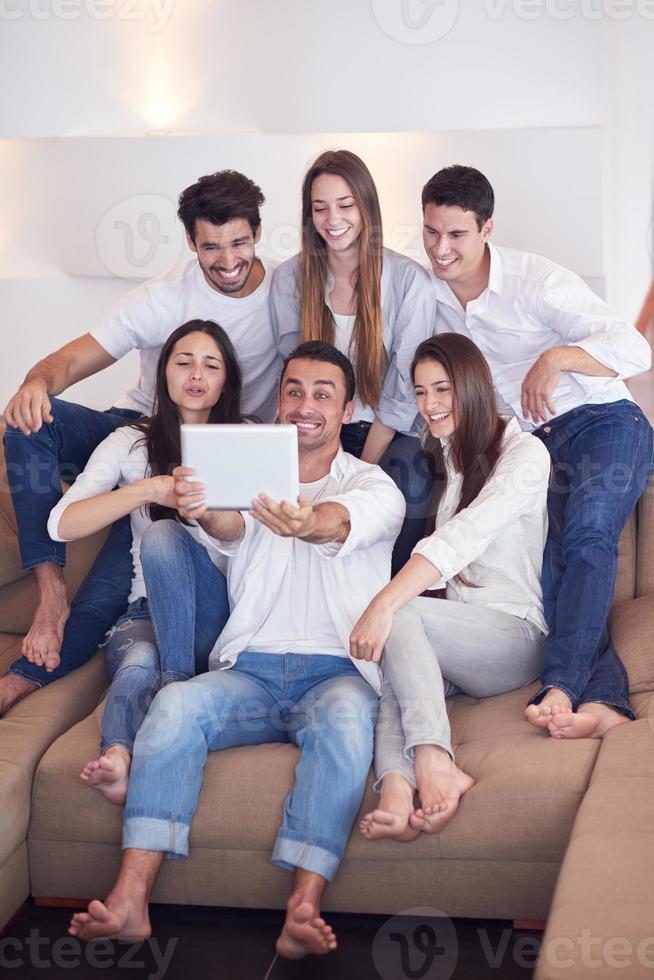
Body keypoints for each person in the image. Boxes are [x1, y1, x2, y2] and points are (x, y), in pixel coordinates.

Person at [68, 341, 405, 959]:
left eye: (322, 394)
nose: (305, 405)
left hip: (336, 674)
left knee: (348, 724)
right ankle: (130, 899)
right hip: (248, 670)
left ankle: (304, 904)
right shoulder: (250, 476)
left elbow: (338, 521)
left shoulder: (374, 484)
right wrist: (206, 510)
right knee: (173, 708)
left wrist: (309, 522)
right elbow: (230, 531)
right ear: (278, 401)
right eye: (294, 391)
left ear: (348, 408)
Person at [1, 169, 280, 715]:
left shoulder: (289, 293)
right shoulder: (163, 298)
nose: (226, 259)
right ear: (191, 243)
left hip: (223, 443)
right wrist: (34, 383)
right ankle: (50, 592)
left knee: (116, 584)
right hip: (144, 428)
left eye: (239, 243)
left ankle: (38, 671)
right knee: (26, 420)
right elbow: (71, 359)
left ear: (258, 233)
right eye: (210, 246)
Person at [422, 164, 653, 738]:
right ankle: (603, 701)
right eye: (432, 233)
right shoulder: (427, 295)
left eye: (456, 235)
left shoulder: (536, 281)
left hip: (603, 421)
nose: (442, 249)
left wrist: (557, 358)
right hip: (533, 444)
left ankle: (563, 686)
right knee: (550, 569)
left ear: (486, 229)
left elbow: (634, 347)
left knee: (590, 535)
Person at [350, 333, 550, 840]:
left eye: (443, 389)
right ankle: (396, 788)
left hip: (514, 637)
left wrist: (385, 601)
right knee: (396, 675)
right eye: (420, 392)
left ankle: (437, 762)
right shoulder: (447, 455)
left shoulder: (525, 454)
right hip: (462, 641)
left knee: (403, 614)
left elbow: (463, 538)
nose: (430, 405)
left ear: (474, 386)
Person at [45, 320, 239, 803]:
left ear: (226, 380)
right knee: (139, 659)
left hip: (223, 621)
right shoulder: (131, 443)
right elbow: (60, 524)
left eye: (210, 365)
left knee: (162, 534)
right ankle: (118, 754)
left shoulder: (248, 440)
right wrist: (151, 488)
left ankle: (175, 689)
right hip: (145, 616)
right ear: (163, 374)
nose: (196, 374)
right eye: (183, 362)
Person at [270, 149, 437, 571]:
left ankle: (391, 596)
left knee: (411, 480)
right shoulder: (290, 279)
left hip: (384, 432)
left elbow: (403, 387)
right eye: (320, 208)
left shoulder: (407, 280)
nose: (333, 219)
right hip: (316, 427)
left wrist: (358, 470)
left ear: (366, 207)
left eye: (345, 205)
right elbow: (290, 373)